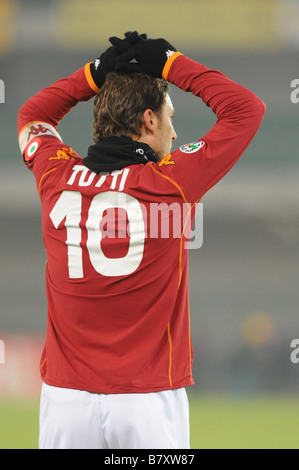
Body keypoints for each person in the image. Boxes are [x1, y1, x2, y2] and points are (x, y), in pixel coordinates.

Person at [18, 31, 265, 449]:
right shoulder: (171, 181)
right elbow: (245, 109)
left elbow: (32, 116)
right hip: (146, 399)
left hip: (65, 401)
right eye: (169, 116)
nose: (173, 131)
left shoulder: (55, 178)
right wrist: (170, 63)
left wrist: (93, 74)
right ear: (149, 120)